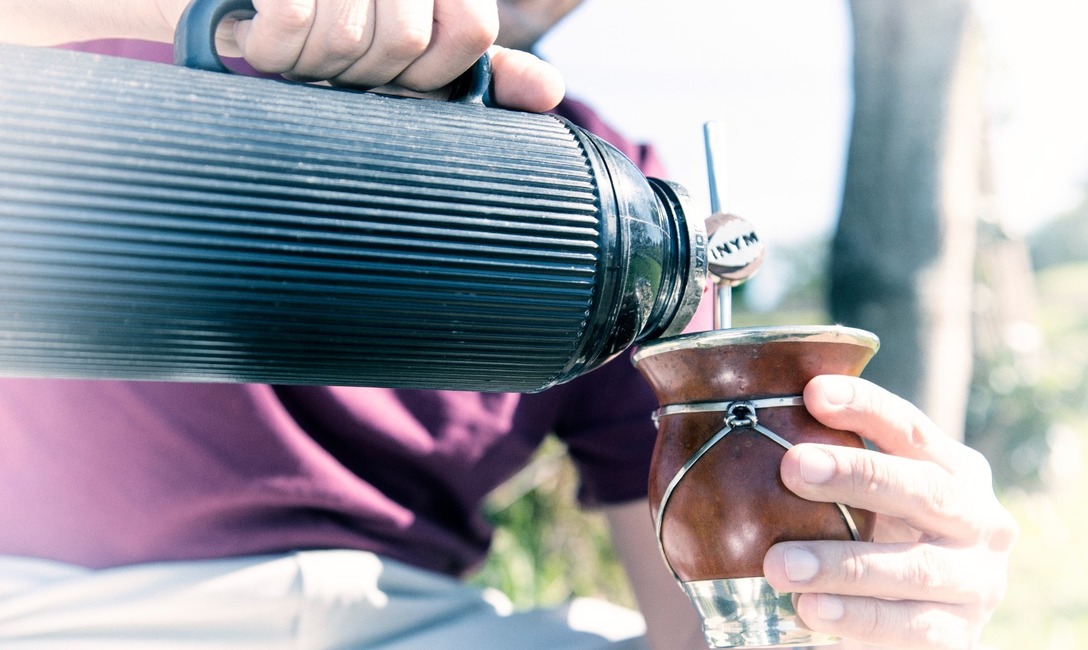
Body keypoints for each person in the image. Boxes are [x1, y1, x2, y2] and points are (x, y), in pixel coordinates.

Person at [0, 1, 1016, 649]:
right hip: (58, 604)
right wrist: (210, 17)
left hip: (411, 624)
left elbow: (691, 631)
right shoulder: (130, 36)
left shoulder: (605, 189)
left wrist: (864, 602)